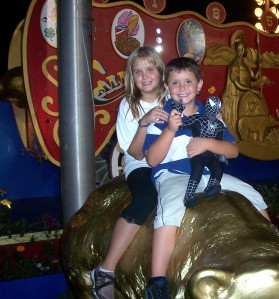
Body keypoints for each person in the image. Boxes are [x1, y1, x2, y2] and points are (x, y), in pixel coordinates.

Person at [142, 57, 271, 298]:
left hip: (210, 174)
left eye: (188, 81)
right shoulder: (160, 117)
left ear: (199, 85)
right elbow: (152, 160)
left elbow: (233, 150)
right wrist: (170, 129)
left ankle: (274, 247)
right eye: (175, 83)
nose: (182, 88)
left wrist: (209, 143)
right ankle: (157, 279)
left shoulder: (212, 116)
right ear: (167, 87)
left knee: (253, 195)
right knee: (170, 208)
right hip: (173, 175)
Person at [90, 46, 169, 299]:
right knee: (146, 198)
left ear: (160, 71)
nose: (145, 76)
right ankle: (106, 268)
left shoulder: (172, 97)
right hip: (142, 164)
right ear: (131, 77)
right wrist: (144, 123)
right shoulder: (128, 105)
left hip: (173, 163)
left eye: (149, 69)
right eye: (138, 72)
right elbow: (134, 153)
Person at [170, 95, 227, 208]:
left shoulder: (220, 125)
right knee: (197, 170)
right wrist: (178, 113)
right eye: (212, 106)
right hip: (196, 153)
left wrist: (220, 154)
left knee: (218, 168)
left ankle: (211, 187)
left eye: (216, 107)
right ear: (207, 106)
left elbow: (220, 142)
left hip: (211, 154)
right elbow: (182, 126)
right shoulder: (198, 119)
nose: (214, 109)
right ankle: (189, 195)